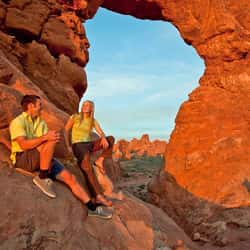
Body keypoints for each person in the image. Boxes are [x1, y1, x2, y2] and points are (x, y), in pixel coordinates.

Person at [9, 95, 112, 219]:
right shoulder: (18, 122)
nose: (41, 108)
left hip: (42, 158)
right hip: (24, 158)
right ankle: (42, 177)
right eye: (39, 105)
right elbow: (23, 145)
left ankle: (92, 208)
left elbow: (45, 143)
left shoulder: (40, 122)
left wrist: (48, 138)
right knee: (50, 139)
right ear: (31, 106)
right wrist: (47, 139)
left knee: (71, 178)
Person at [65, 100, 117, 206]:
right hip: (78, 145)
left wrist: (103, 137)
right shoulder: (75, 117)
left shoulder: (92, 120)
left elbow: (100, 131)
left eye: (88, 105)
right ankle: (98, 196)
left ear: (91, 108)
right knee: (87, 167)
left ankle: (99, 160)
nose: (85, 106)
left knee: (110, 139)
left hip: (89, 144)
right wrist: (68, 146)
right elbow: (66, 130)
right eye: (84, 105)